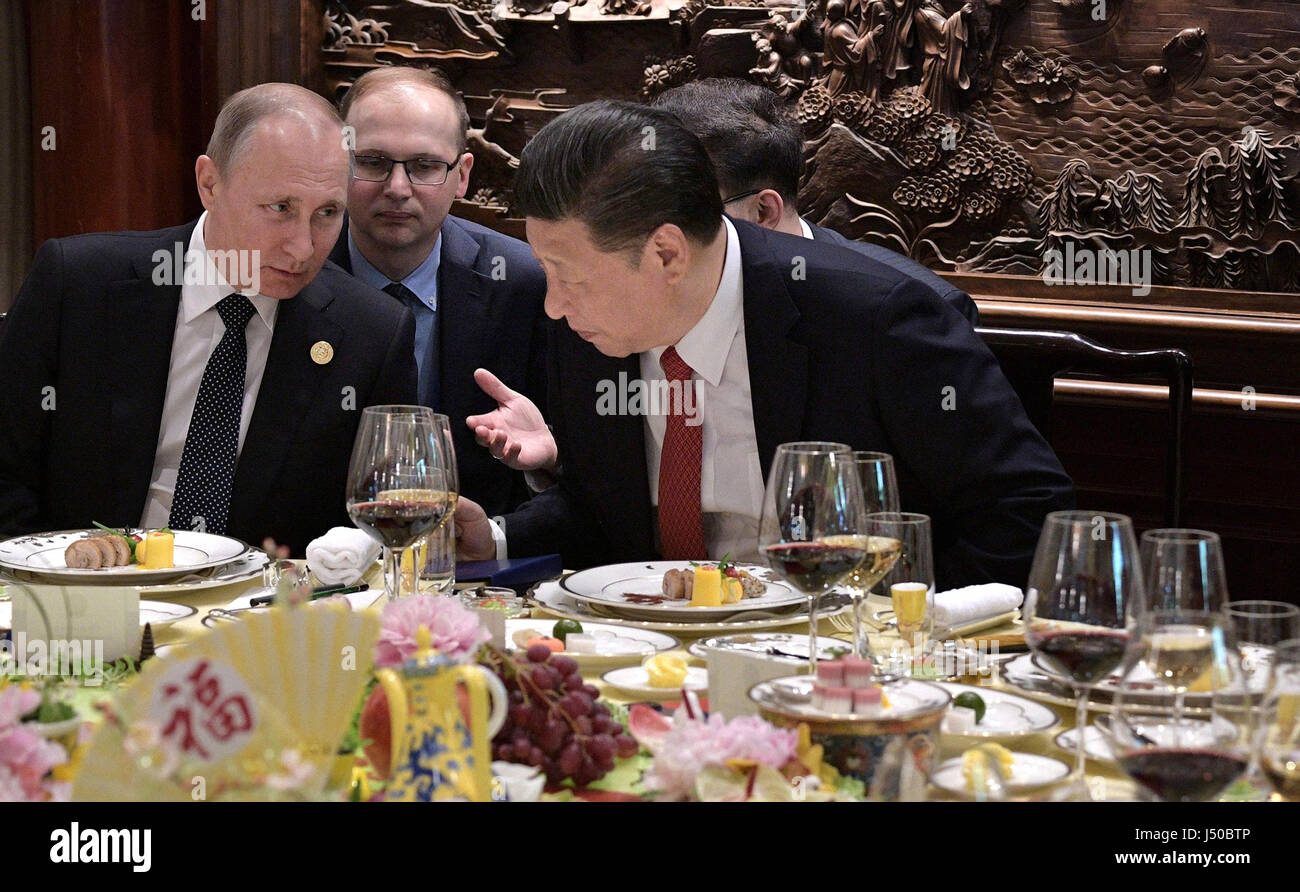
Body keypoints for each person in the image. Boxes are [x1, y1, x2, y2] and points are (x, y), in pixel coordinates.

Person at [455, 100, 1074, 590]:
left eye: (570, 277)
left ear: (666, 252)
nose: (553, 304)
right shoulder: (592, 331)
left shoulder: (872, 320)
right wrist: (500, 539)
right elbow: (603, 511)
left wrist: (904, 635)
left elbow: (1023, 508)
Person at [467, 78, 981, 478]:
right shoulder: (590, 312)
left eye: (693, 199)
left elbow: (1005, 520)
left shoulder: (885, 316)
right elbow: (606, 517)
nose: (554, 305)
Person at [0, 83, 417, 554]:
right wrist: (51, 577)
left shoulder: (372, 333)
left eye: (327, 213)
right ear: (209, 184)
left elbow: (375, 524)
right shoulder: (79, 286)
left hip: (257, 615)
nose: (303, 248)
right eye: (280, 208)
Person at [330, 65, 549, 516]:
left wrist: (543, 466)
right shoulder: (295, 274)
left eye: (425, 166)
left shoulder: (525, 283)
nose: (397, 188)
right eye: (372, 162)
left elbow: (574, 471)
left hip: (475, 567)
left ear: (462, 174)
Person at [653, 77, 979, 326]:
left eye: (679, 211)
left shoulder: (916, 311)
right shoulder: (631, 292)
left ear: (763, 211)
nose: (645, 233)